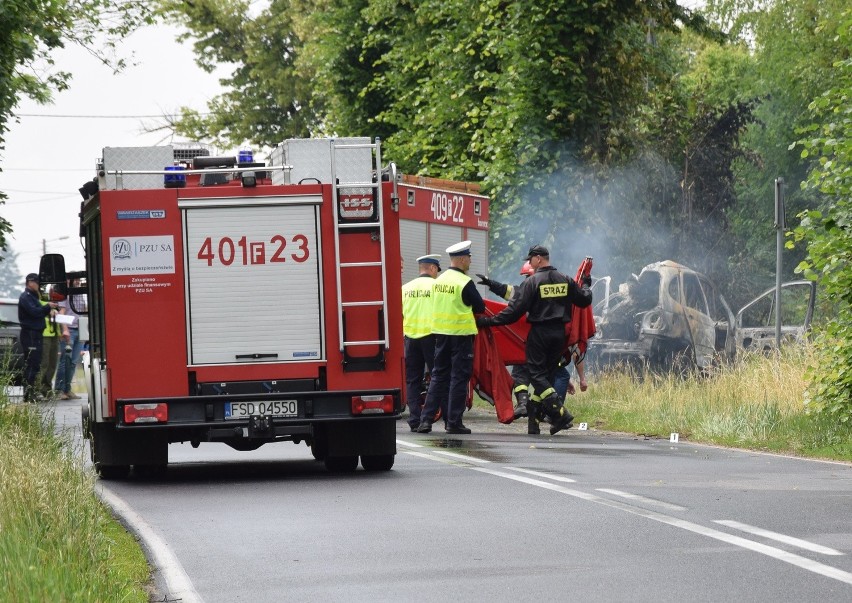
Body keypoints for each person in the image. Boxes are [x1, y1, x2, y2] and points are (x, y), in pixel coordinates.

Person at [476, 245, 592, 435]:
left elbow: (514, 312)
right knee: (545, 376)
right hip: (559, 335)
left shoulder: (533, 282)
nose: (529, 264)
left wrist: (489, 321)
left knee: (537, 376)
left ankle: (559, 413)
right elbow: (585, 300)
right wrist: (586, 283)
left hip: (540, 334)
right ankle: (534, 421)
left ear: (538, 259)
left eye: (530, 260)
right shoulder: (565, 280)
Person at [416, 241, 485, 435]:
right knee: (459, 378)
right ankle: (453, 422)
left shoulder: (438, 281)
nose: (470, 260)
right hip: (461, 336)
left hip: (440, 336)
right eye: (469, 257)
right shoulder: (464, 282)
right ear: (462, 259)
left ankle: (425, 421)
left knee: (438, 377)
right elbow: (479, 307)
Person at [401, 253, 442, 431]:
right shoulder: (437, 287)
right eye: (437, 271)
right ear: (432, 268)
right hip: (431, 337)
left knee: (412, 380)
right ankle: (428, 418)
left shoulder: (406, 288)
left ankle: (414, 419)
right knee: (437, 376)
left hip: (410, 338)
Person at [18, 273, 59, 402]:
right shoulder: (26, 297)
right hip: (30, 334)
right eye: (36, 282)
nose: (37, 285)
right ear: (30, 282)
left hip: (36, 334)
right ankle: (29, 394)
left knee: (36, 364)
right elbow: (35, 312)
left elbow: (39, 311)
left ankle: (31, 393)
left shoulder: (34, 297)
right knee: (31, 364)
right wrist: (48, 306)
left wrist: (47, 308)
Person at [55, 278, 86, 400]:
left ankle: (67, 389)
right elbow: (61, 313)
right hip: (69, 330)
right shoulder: (65, 296)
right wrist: (65, 329)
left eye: (79, 280)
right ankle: (59, 389)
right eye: (75, 280)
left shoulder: (81, 295)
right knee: (65, 360)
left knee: (73, 362)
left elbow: (83, 311)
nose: (77, 282)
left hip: (80, 329)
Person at [37, 285, 64, 397]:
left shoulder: (52, 300)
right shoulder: (37, 299)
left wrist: (60, 332)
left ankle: (47, 388)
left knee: (52, 364)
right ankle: (37, 388)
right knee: (44, 363)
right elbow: (39, 307)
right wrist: (49, 307)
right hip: (44, 334)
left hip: (54, 334)